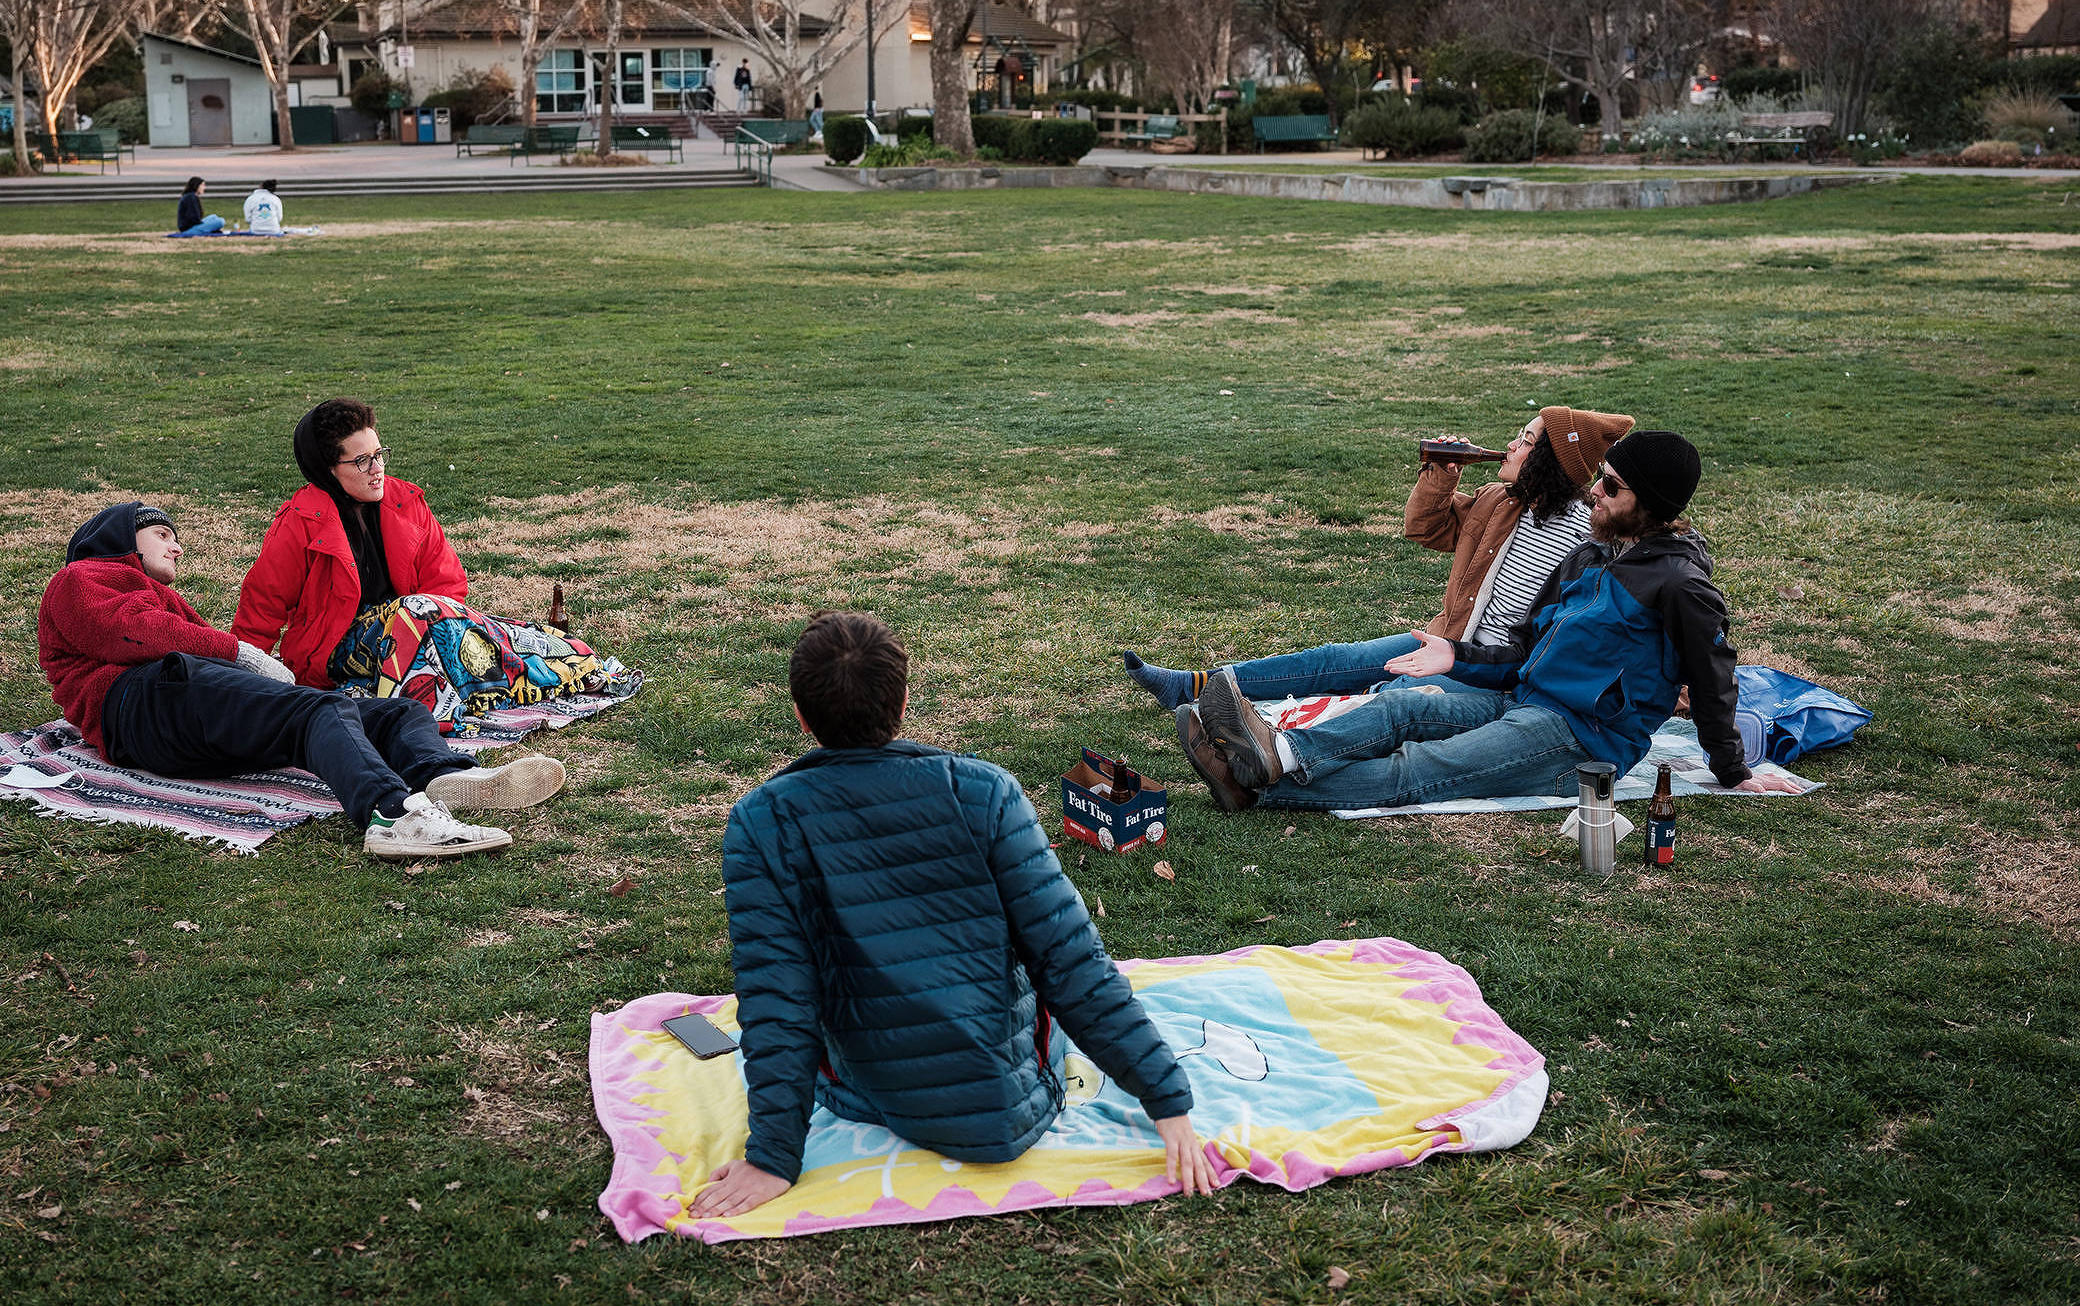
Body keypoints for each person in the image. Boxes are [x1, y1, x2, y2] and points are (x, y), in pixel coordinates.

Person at [691, 611, 1215, 1220]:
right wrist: (1167, 1101)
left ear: (801, 716)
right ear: (905, 700)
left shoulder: (760, 821)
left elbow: (777, 997)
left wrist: (773, 1158)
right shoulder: (985, 792)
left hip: (870, 1091)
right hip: (1011, 1099)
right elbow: (1071, 962)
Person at [1188, 431, 1800, 812]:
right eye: (1601, 480)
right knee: (1407, 707)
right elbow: (1528, 650)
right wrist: (1458, 659)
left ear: (1653, 505)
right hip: (1523, 699)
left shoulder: (1679, 584)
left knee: (1421, 771)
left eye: (1611, 488)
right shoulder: (1591, 555)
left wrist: (1733, 770)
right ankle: (1282, 753)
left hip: (1582, 743)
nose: (1595, 494)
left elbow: (1714, 676)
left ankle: (1260, 787)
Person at [1122, 407, 1633, 807]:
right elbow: (1427, 529)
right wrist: (1440, 474)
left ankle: (1268, 759)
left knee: (1394, 697)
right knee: (1335, 659)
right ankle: (1198, 684)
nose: (1510, 445)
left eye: (1525, 440)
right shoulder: (1502, 501)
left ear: (1552, 460)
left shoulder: (1592, 540)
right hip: (1453, 638)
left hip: (1494, 670)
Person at [36, 501, 515, 859]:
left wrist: (260, 681)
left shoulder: (156, 595)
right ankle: (391, 815)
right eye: (162, 534)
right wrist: (242, 652)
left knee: (397, 712)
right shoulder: (81, 577)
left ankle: (440, 775)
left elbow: (187, 649)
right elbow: (131, 633)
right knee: (320, 709)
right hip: (138, 706)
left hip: (183, 714)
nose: (176, 546)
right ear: (121, 537)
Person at [233, 399, 607, 763]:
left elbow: (447, 584)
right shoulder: (300, 521)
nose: (376, 468)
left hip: (421, 628)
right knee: (419, 615)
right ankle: (422, 735)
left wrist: (445, 634)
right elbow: (262, 602)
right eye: (361, 461)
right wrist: (247, 687)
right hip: (337, 647)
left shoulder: (405, 501)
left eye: (379, 454)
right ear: (327, 469)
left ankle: (563, 669)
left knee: (495, 635)